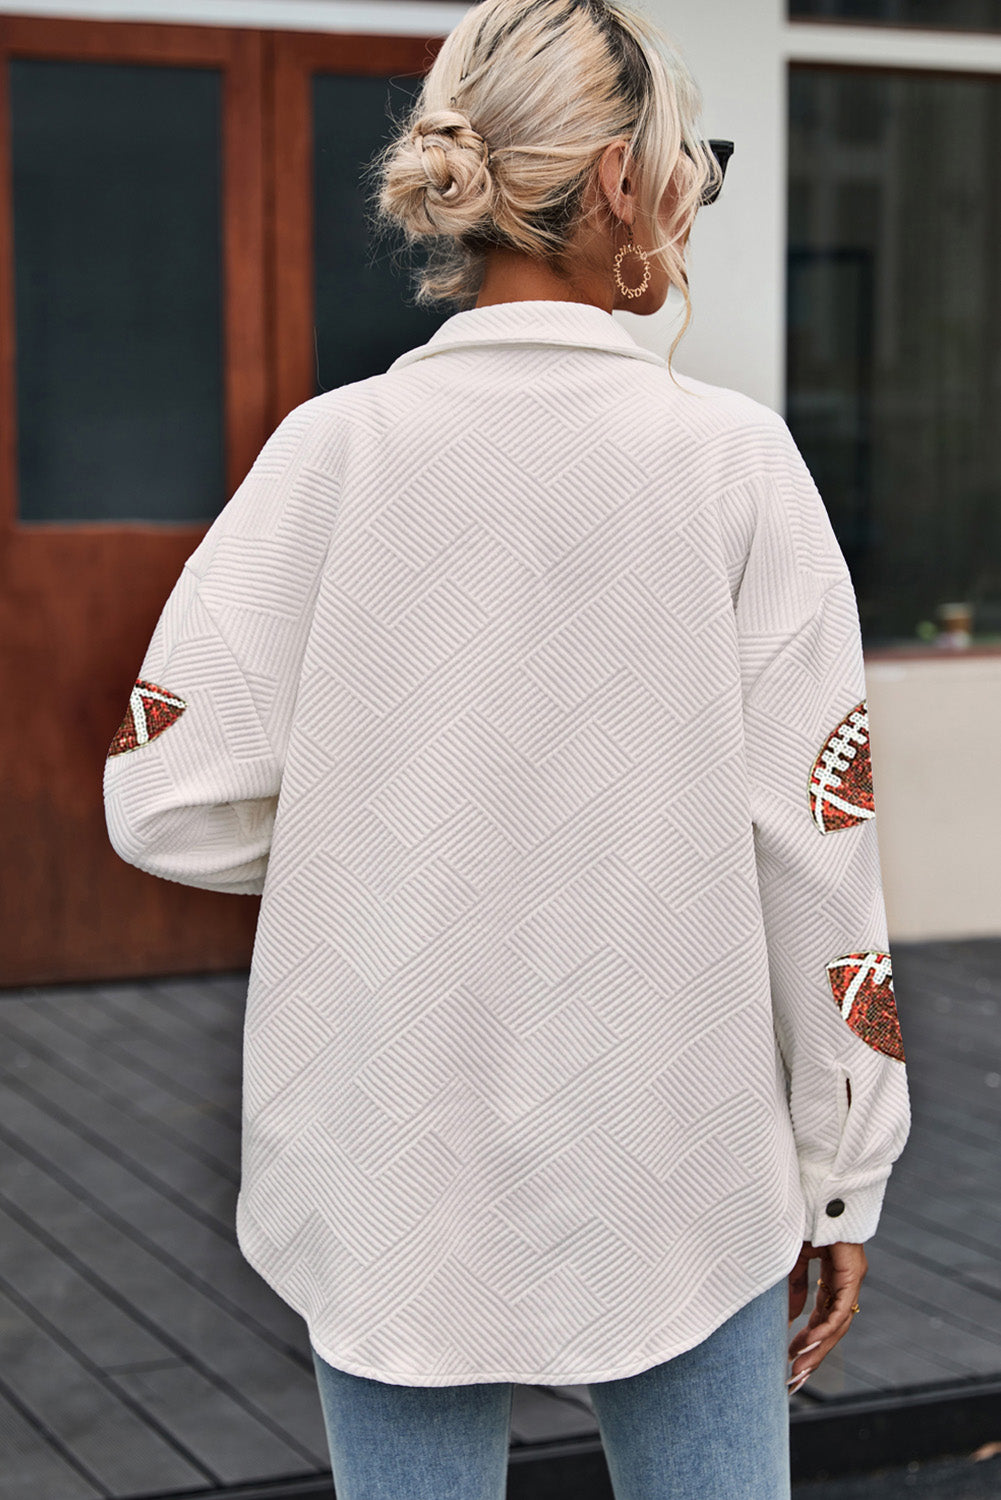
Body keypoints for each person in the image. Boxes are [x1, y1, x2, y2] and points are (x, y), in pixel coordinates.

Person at [103, 0, 912, 1494]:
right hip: (676, 1140)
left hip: (387, 1139)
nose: (693, 196)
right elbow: (817, 844)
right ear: (617, 179)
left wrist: (398, 829)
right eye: (693, 162)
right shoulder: (731, 464)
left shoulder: (329, 453)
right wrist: (840, 1169)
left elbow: (166, 796)